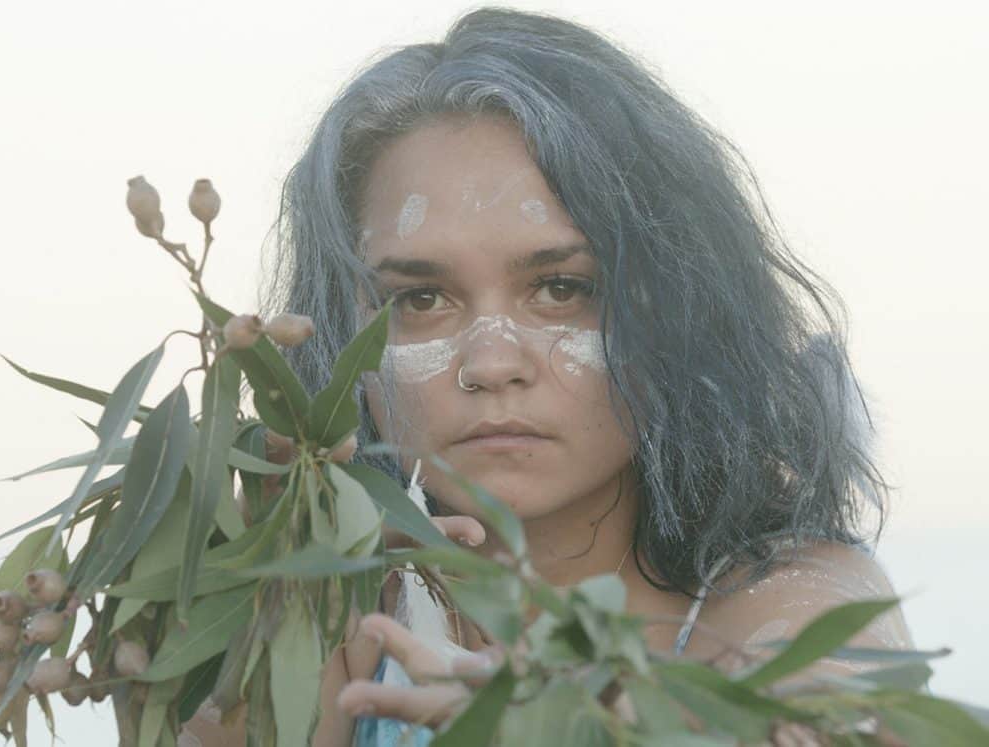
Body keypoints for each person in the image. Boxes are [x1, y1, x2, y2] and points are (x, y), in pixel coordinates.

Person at [180, 7, 914, 746]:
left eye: (562, 288)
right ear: (337, 336)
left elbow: (831, 711)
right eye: (421, 299)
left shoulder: (790, 602)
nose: (492, 363)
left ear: (681, 306)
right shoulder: (319, 627)